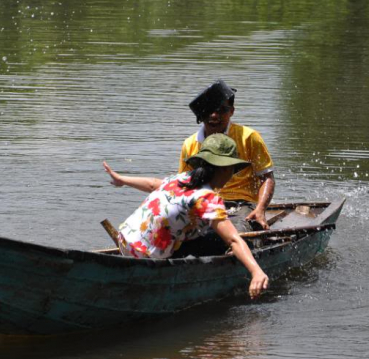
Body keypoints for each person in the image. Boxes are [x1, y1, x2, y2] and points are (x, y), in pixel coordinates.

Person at [103, 133, 269, 299]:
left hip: (125, 241)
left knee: (195, 227)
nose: (232, 175)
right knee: (220, 239)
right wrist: (256, 271)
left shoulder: (180, 179)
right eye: (233, 170)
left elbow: (152, 184)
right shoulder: (207, 198)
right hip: (147, 257)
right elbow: (233, 240)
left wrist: (122, 179)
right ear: (225, 169)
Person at [180, 80, 275, 230]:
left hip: (240, 204)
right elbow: (185, 184)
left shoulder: (248, 137)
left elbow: (266, 177)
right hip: (204, 202)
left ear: (232, 111)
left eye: (221, 110)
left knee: (238, 233)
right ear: (201, 113)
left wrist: (261, 209)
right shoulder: (190, 144)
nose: (214, 115)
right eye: (209, 110)